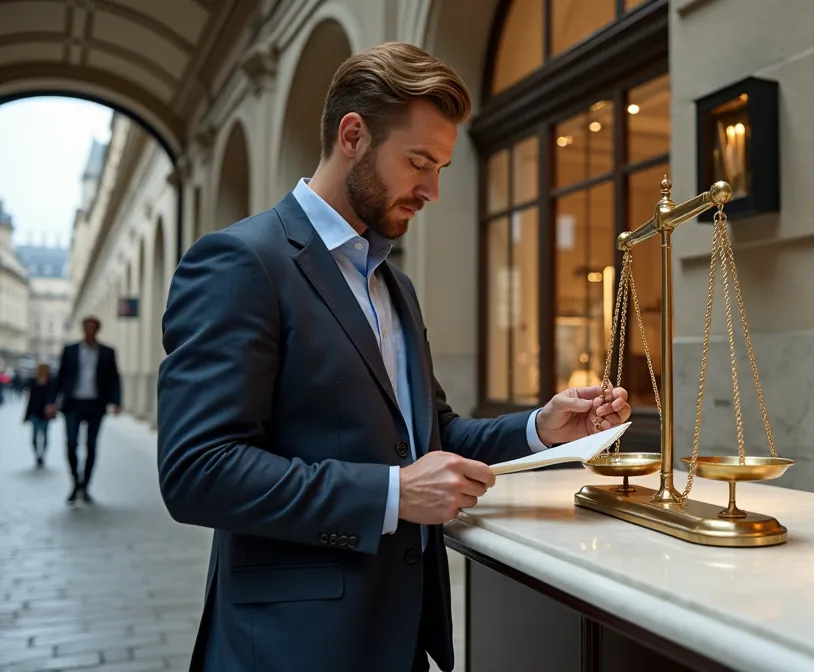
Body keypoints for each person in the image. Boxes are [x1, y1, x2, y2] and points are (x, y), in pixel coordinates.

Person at [155, 42, 631, 672]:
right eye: (418, 162)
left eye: (441, 168)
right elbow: (198, 471)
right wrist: (391, 494)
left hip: (401, 635)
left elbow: (433, 436)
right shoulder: (242, 262)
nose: (432, 189)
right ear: (353, 135)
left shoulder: (393, 284)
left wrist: (539, 428)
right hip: (286, 646)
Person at [54, 316, 122, 504]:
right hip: (72, 404)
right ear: (82, 329)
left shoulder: (107, 352)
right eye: (87, 327)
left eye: (93, 327)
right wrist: (52, 401)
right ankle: (76, 481)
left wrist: (116, 401)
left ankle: (85, 485)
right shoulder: (70, 350)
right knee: (71, 444)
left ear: (97, 330)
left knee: (91, 445)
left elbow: (115, 378)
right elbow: (60, 377)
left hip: (96, 404)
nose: (90, 330)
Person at [23, 363, 57, 468]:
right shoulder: (33, 381)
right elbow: (30, 399)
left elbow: (53, 397)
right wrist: (26, 415)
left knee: (45, 435)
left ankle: (42, 455)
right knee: (35, 436)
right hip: (35, 412)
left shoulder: (51, 382)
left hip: (45, 413)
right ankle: (37, 454)